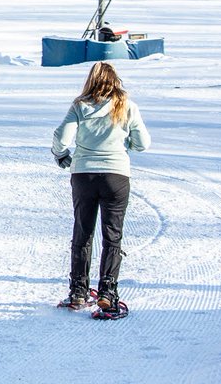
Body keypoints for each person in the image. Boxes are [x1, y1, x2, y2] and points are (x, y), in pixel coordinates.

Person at [51, 61, 150, 318]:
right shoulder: (127, 106)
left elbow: (61, 138)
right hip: (116, 176)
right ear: (115, 80)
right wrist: (126, 143)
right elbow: (143, 143)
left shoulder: (80, 105)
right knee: (112, 235)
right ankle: (107, 293)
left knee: (82, 233)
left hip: (83, 174)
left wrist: (62, 156)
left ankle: (78, 292)